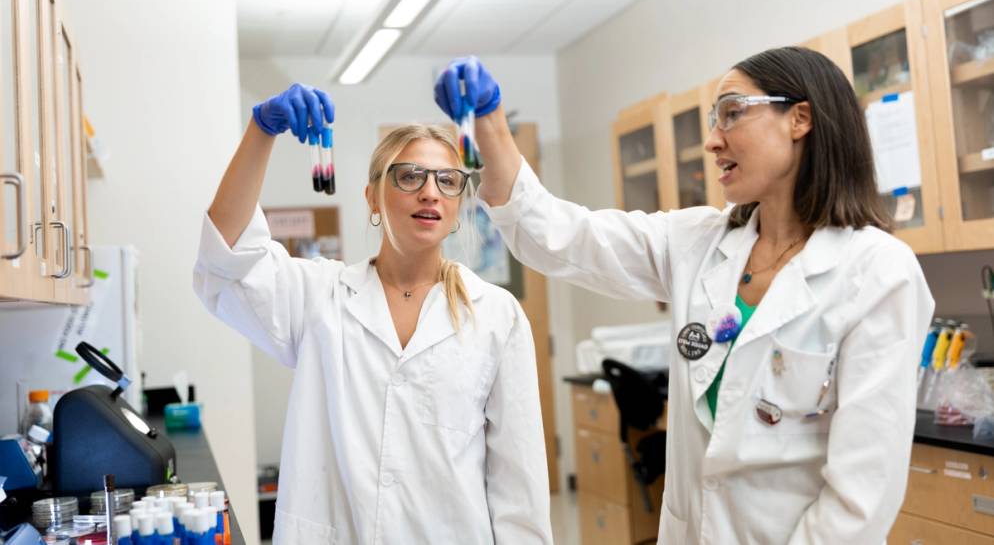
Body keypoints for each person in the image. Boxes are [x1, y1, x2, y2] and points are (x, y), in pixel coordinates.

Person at [433, 50, 935, 544]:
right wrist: (490, 123)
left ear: (799, 118)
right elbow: (557, 234)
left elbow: (861, 495)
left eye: (732, 113)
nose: (713, 141)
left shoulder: (878, 273)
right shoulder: (700, 242)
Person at [193, 83, 552, 544]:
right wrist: (260, 132)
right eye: (409, 177)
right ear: (372, 197)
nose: (430, 192)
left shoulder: (496, 315)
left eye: (447, 180)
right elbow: (224, 261)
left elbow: (519, 481)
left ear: (460, 204)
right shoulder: (320, 296)